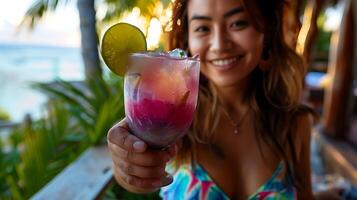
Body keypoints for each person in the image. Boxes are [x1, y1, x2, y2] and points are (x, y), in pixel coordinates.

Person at [107, 0, 343, 199]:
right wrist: (127, 166)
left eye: (238, 23)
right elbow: (136, 166)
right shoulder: (171, 122)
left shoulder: (295, 123)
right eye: (202, 28)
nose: (220, 45)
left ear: (267, 33)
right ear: (187, 39)